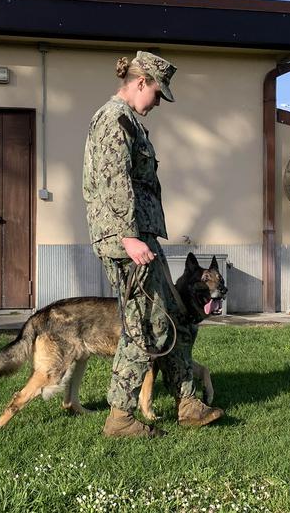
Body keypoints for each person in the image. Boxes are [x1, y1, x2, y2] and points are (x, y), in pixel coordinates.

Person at [82, 51, 224, 438]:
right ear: (141, 81)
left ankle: (188, 402)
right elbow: (115, 180)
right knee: (145, 327)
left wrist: (139, 236)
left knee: (170, 318)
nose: (159, 103)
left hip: (141, 238)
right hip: (127, 241)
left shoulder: (130, 121)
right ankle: (120, 417)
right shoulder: (114, 120)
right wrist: (128, 236)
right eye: (159, 94)